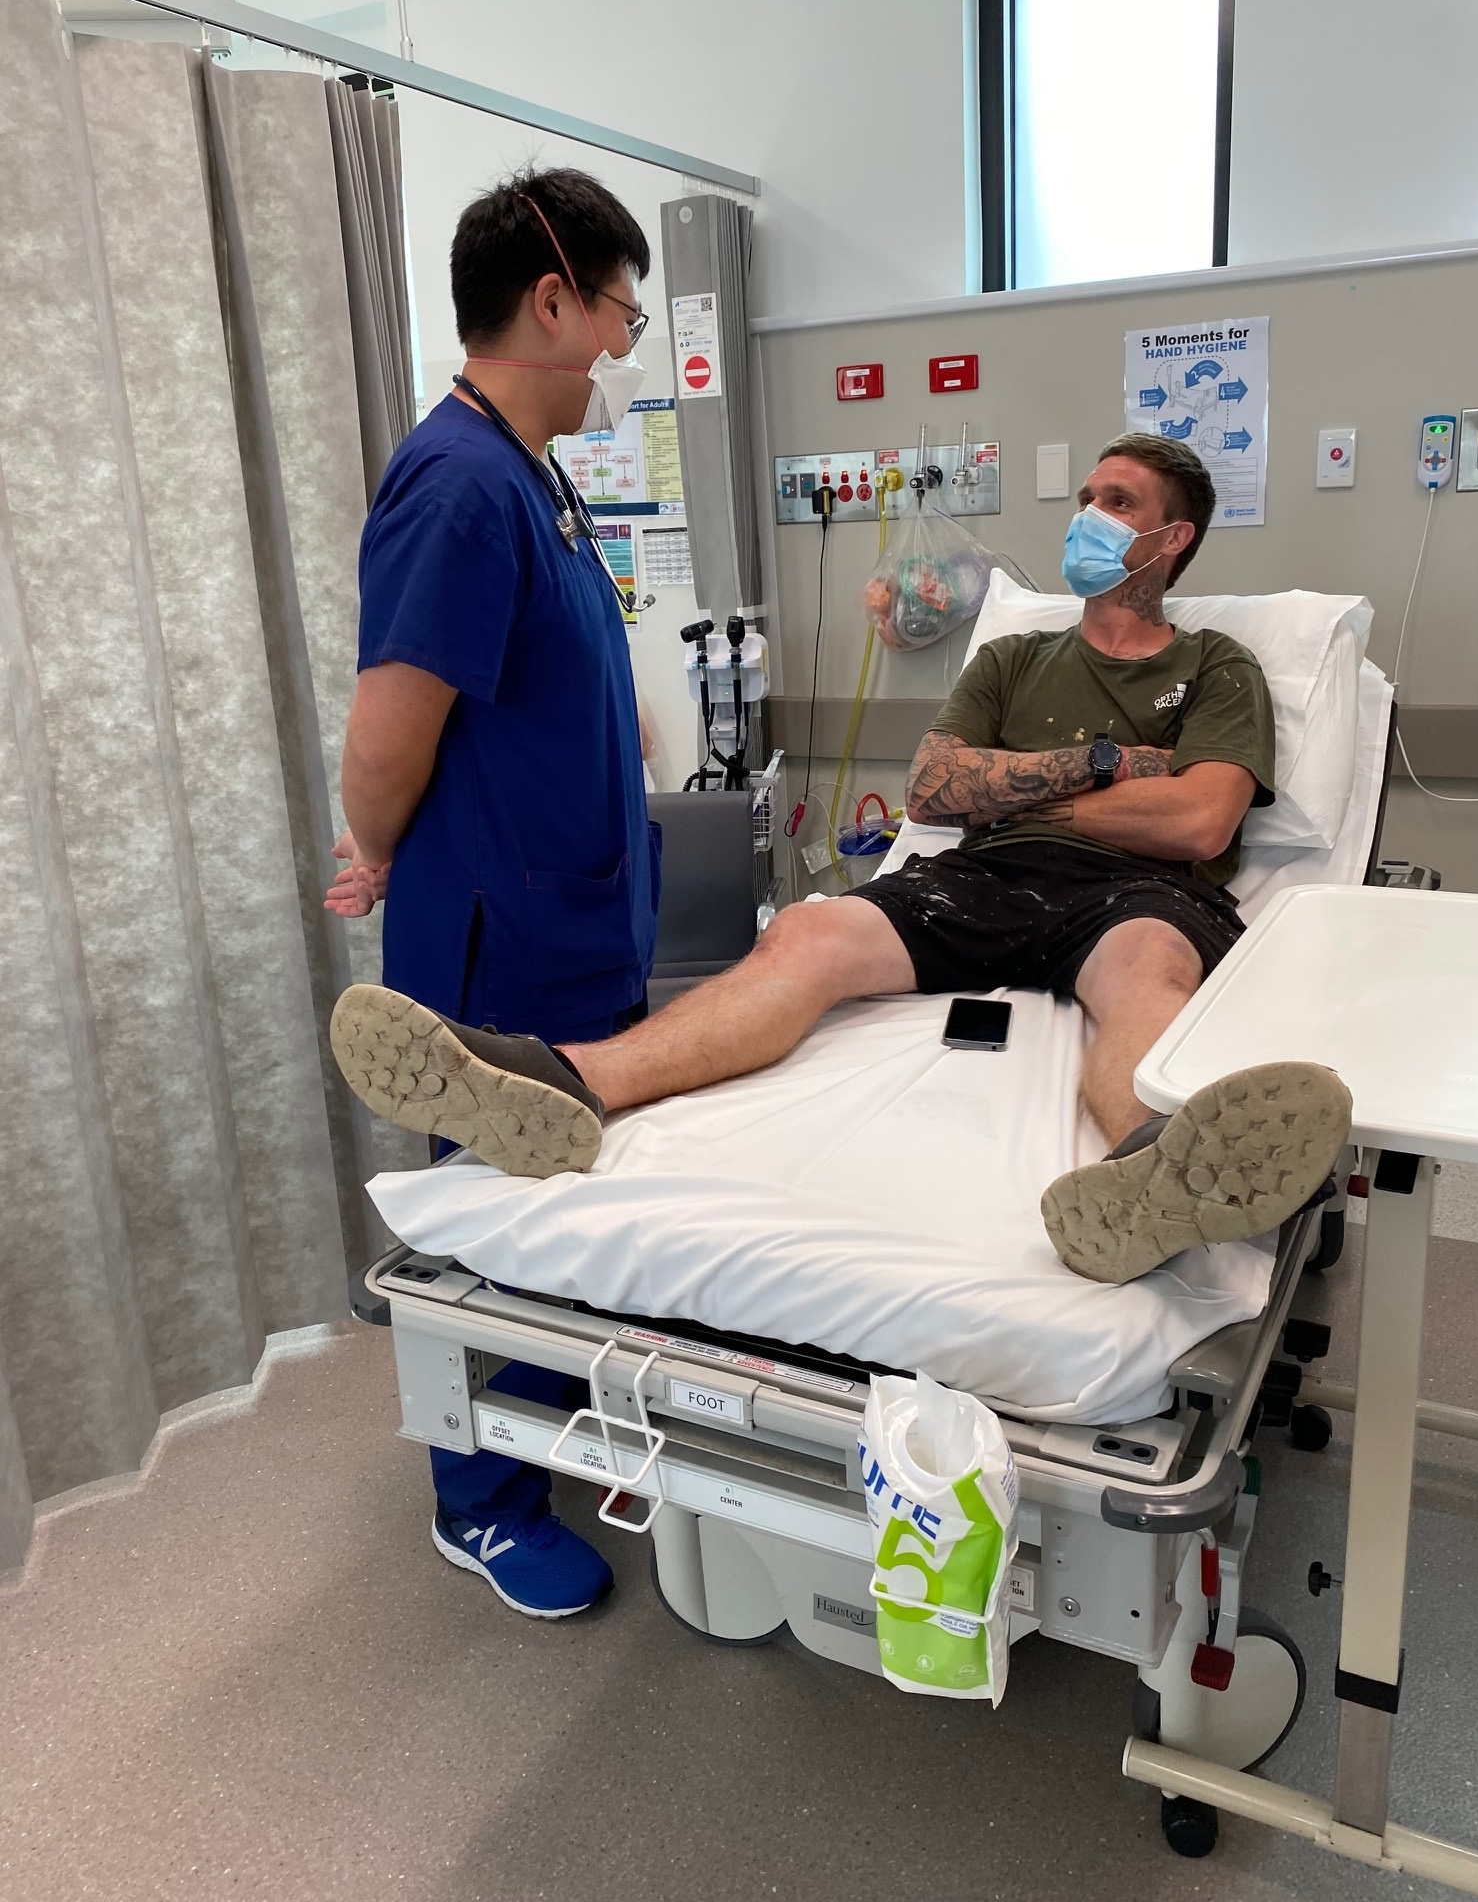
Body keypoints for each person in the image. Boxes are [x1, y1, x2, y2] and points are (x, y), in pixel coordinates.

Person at [332, 433, 1351, 1290]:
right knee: (810, 931)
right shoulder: (1012, 657)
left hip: (1137, 896)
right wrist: (1094, 770)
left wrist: (1024, 785)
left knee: (1149, 973)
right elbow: (935, 792)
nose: (1086, 513)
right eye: (1085, 494)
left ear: (1170, 540)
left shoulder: (1216, 666)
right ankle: (566, 1086)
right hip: (979, 878)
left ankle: (1150, 1176)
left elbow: (1199, 825)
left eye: (1116, 502)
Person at [324, 165, 661, 1618]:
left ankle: (558, 1419)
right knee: (502, 1217)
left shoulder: (531, 471)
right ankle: (480, 1498)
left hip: (569, 907)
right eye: (620, 316)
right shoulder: (457, 484)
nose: (622, 351)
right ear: (551, 302)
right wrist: (383, 843)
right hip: (503, 928)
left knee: (570, 1203)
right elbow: (385, 741)